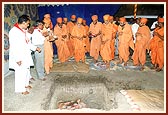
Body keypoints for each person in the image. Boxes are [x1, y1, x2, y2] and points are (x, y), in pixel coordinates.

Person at [9, 15, 40, 95]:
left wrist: (35, 48)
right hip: (19, 56)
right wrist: (17, 59)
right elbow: (13, 46)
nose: (28, 25)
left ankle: (26, 85)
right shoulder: (14, 31)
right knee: (20, 73)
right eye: (27, 24)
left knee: (26, 70)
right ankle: (21, 89)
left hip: (25, 54)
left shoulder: (23, 30)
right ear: (23, 22)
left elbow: (27, 42)